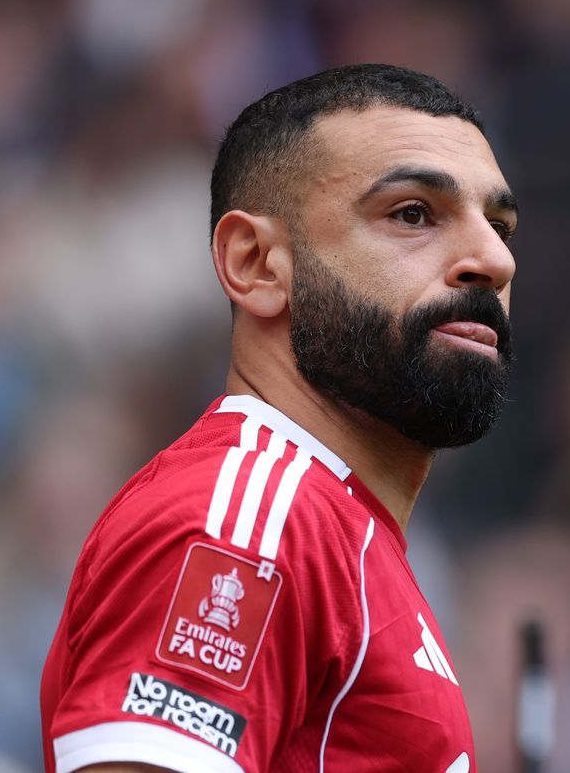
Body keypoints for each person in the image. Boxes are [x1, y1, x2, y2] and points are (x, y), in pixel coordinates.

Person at [40, 63, 518, 773]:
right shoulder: (247, 526)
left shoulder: (332, 532)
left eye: (500, 223)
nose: (493, 259)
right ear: (257, 263)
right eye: (413, 213)